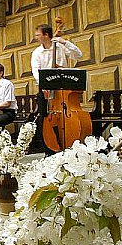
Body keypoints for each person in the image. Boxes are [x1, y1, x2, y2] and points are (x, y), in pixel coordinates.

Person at [30, 23, 83, 154]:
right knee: (44, 117)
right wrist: (43, 85)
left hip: (63, 88)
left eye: (38, 35)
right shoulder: (37, 52)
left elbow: (78, 55)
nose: (36, 37)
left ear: (46, 35)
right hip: (45, 88)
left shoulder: (60, 47)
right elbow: (36, 71)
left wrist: (64, 42)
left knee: (66, 115)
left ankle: (70, 145)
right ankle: (48, 148)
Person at [0, 63, 17, 128]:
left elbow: (7, 104)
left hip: (8, 112)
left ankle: (0, 137)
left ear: (1, 73)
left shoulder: (7, 84)